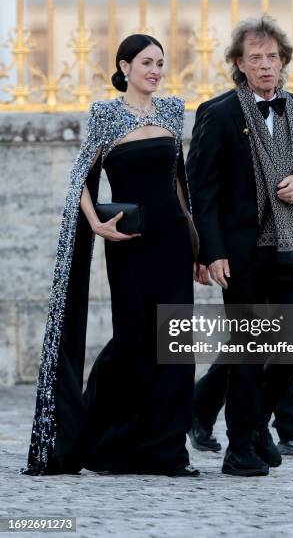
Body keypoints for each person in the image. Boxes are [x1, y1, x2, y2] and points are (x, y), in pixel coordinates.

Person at [20, 34, 200, 477]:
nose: (155, 70)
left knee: (175, 343)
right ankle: (112, 440)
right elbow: (81, 175)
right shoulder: (105, 113)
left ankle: (167, 451)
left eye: (160, 62)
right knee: (134, 340)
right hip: (128, 244)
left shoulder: (174, 110)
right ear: (124, 66)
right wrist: (96, 224)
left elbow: (179, 182)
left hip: (173, 241)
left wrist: (197, 239)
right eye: (146, 63)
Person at [191, 15, 293, 476]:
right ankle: (240, 449)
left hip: (289, 246)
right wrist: (209, 251)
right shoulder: (219, 113)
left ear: (283, 60)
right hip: (240, 251)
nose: (266, 64)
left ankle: (254, 428)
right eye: (255, 57)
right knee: (249, 352)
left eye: (272, 56)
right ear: (239, 63)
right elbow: (203, 190)